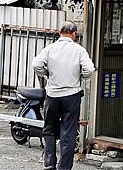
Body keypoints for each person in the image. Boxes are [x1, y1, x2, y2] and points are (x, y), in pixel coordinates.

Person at [32, 21, 95, 170]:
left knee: (49, 130)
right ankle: (64, 168)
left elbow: (36, 65)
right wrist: (81, 76)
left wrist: (46, 74)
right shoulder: (79, 50)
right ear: (74, 34)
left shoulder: (50, 49)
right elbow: (90, 69)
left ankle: (50, 164)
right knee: (68, 133)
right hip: (71, 96)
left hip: (52, 95)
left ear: (60, 33)